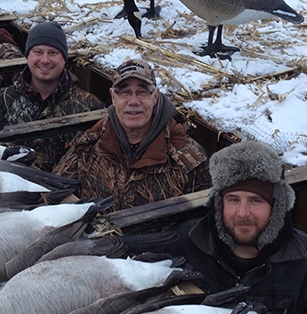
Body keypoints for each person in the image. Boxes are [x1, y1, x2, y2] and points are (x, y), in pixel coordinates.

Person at [150, 140, 307, 314]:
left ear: (277, 206)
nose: (243, 213)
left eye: (256, 200)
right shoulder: (185, 242)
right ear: (219, 203)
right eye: (233, 200)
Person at [52, 58, 210, 209]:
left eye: (142, 92)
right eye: (125, 92)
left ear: (155, 96)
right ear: (113, 97)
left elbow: (203, 221)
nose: (133, 101)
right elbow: (54, 193)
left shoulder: (188, 159)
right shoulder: (89, 143)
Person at [0, 21, 105, 171]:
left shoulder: (90, 108)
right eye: (38, 52)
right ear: (27, 56)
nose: (45, 60)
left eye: (53, 53)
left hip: (64, 193)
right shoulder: (2, 100)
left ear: (64, 58)